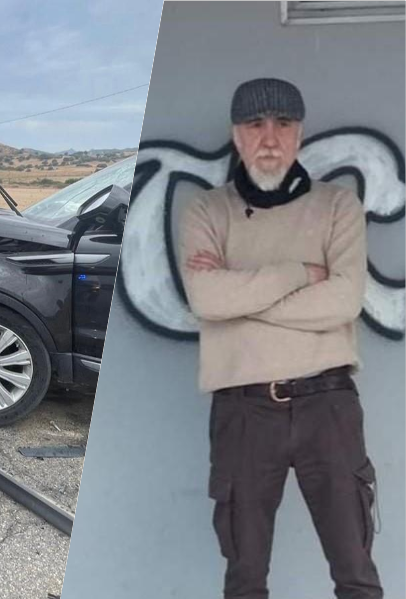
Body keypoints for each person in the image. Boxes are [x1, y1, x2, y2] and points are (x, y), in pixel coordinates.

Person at [180, 78, 381, 599]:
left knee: (356, 573)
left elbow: (344, 301)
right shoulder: (207, 210)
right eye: (255, 124)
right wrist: (299, 273)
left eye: (283, 123)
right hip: (243, 411)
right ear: (236, 134)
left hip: (328, 404)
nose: (269, 137)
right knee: (245, 578)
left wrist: (242, 300)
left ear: (299, 133)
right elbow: (207, 299)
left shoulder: (338, 206)